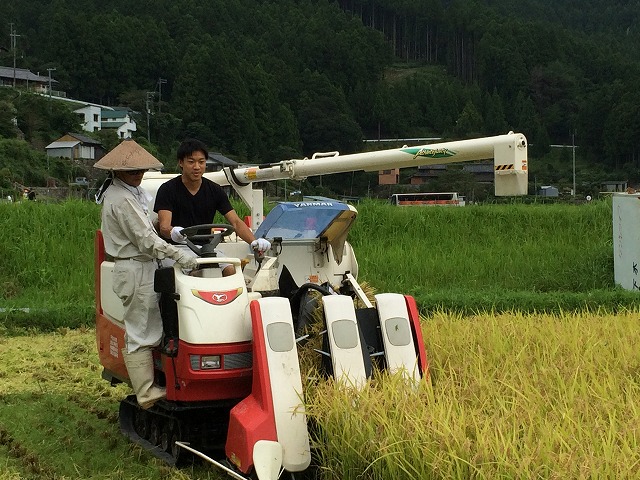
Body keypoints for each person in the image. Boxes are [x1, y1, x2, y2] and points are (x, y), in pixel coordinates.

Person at [94, 139, 199, 410]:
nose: (138, 176)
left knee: (153, 321)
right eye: (132, 172)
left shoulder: (132, 193)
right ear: (117, 172)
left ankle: (156, 381)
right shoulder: (121, 198)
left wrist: (167, 228)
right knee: (142, 329)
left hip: (143, 265)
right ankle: (146, 392)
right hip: (134, 265)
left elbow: (146, 225)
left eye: (141, 171)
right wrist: (177, 253)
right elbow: (144, 239)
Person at [153, 138, 270, 275]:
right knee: (193, 275)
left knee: (231, 271)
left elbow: (236, 222)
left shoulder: (215, 190)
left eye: (201, 162)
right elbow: (164, 227)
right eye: (191, 162)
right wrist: (174, 232)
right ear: (181, 163)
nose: (197, 167)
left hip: (206, 249)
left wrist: (254, 243)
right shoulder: (167, 189)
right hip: (176, 248)